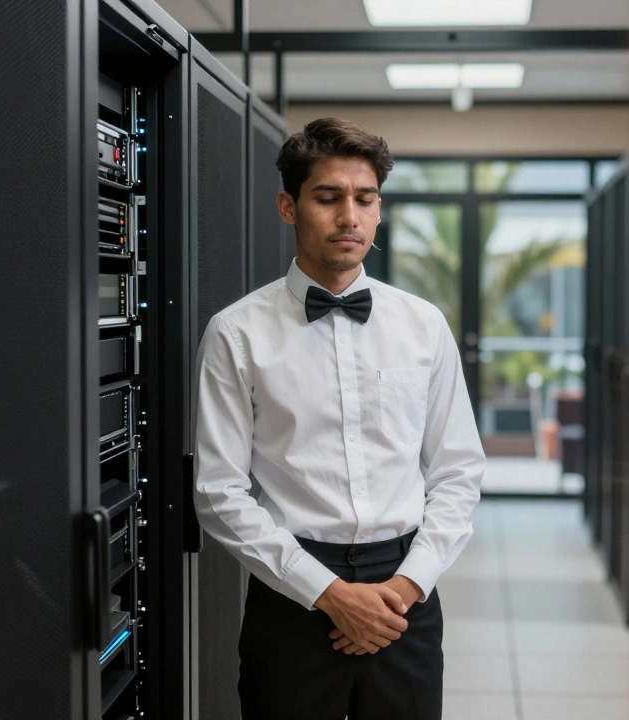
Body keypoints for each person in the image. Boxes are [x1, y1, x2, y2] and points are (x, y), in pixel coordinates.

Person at [194, 117, 484, 720]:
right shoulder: (236, 333)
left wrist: (401, 592)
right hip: (293, 591)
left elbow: (458, 471)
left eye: (365, 198)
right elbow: (218, 491)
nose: (349, 216)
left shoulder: (424, 325)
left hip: (406, 588)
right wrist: (327, 594)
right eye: (328, 197)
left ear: (379, 210)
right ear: (288, 206)